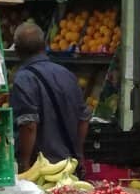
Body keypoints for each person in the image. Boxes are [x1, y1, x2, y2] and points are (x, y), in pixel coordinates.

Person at [10, 21, 91, 172]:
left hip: (41, 169)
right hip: (69, 165)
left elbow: (29, 125)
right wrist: (79, 155)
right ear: (44, 45)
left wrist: (25, 165)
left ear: (17, 49)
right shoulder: (67, 74)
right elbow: (84, 118)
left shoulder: (24, 79)